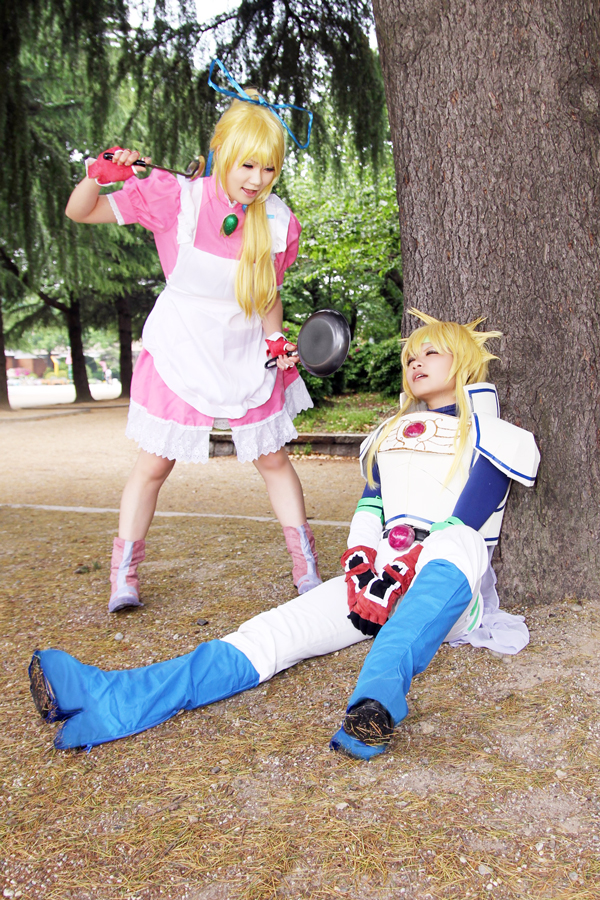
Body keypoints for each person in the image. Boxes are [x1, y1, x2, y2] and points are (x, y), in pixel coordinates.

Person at [29, 310, 540, 755]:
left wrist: (406, 566)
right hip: (375, 586)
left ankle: (375, 705)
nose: (416, 362)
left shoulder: (496, 435)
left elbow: (466, 520)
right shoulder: (387, 435)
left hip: (445, 595)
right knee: (271, 633)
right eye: (410, 356)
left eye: (431, 353)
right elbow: (371, 506)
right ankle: (115, 697)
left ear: (465, 362)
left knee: (456, 541)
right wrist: (361, 563)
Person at [64, 80, 321, 612]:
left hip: (245, 346)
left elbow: (266, 295)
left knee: (274, 460)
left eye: (269, 168)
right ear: (221, 151)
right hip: (182, 343)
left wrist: (276, 339)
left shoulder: (277, 220)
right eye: (247, 165)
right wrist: (97, 175)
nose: (257, 180)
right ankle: (123, 577)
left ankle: (306, 569)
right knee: (154, 465)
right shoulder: (174, 197)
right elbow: (80, 212)